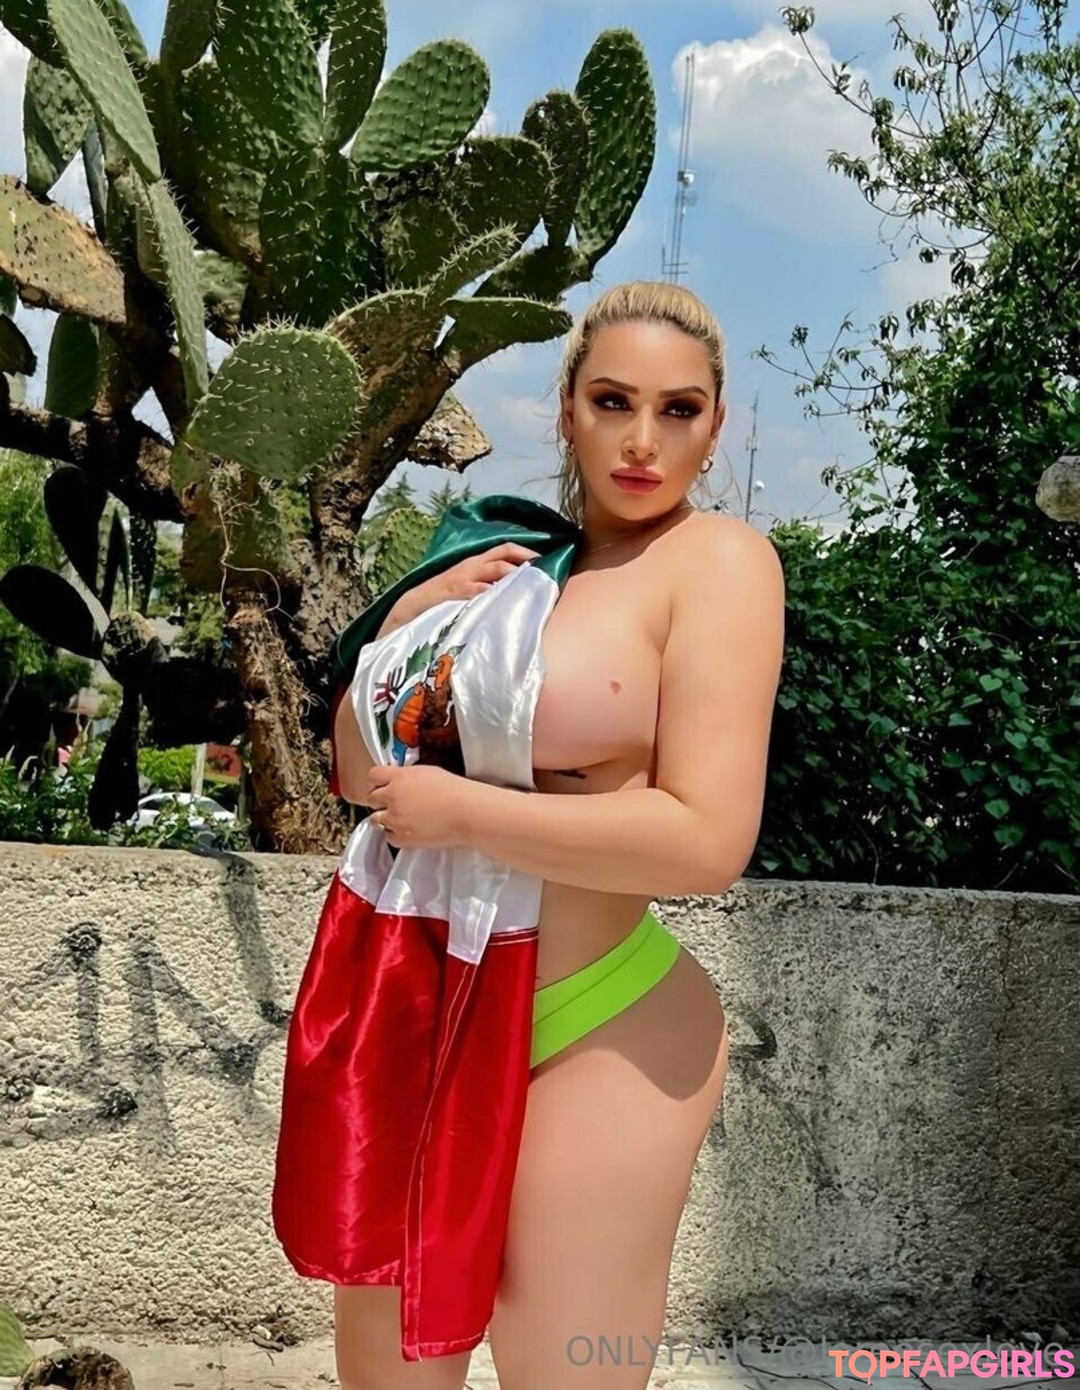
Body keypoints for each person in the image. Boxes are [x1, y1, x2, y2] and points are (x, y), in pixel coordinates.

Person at [320, 280, 785, 1390]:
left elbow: (706, 839)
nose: (643, 440)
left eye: (679, 410)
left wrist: (469, 814)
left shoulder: (718, 565)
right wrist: (407, 622)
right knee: (386, 1372)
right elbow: (354, 771)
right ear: (568, 408)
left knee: (564, 1371)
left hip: (600, 1029)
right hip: (422, 1008)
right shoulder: (505, 566)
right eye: (614, 401)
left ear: (716, 425)